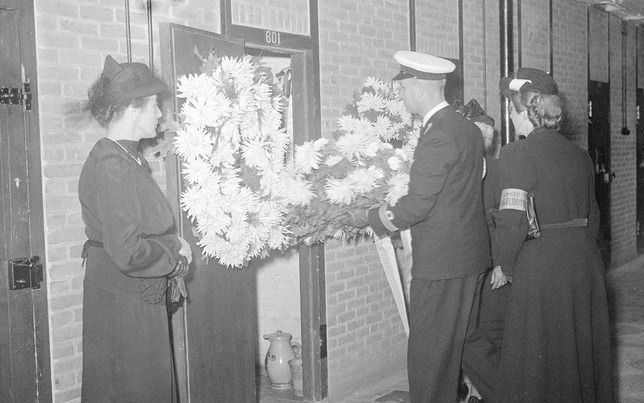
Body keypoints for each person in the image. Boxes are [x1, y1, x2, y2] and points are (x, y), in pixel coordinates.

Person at [346, 51, 490, 403]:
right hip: (467, 257)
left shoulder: (439, 133)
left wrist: (371, 218)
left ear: (423, 87)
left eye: (404, 87)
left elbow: (420, 203)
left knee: (428, 356)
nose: (401, 95)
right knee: (465, 345)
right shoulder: (465, 128)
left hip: (441, 263)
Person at [491, 68, 614, 402]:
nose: (512, 119)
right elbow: (594, 219)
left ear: (527, 112)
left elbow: (512, 218)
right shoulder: (581, 156)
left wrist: (504, 263)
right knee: (574, 350)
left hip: (542, 264)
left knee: (537, 355)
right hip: (583, 261)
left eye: (513, 111)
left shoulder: (517, 154)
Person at [76, 55, 193, 403]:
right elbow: (127, 250)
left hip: (123, 290)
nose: (159, 114)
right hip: (124, 297)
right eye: (154, 106)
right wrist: (174, 250)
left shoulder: (125, 156)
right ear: (132, 108)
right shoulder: (113, 164)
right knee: (134, 385)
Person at [460, 110, 510, 403]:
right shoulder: (460, 168)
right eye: (484, 136)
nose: (488, 141)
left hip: (492, 264)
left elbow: (504, 220)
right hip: (467, 263)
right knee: (473, 333)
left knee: (487, 331)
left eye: (490, 137)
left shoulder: (497, 169)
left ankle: (491, 392)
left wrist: (502, 263)